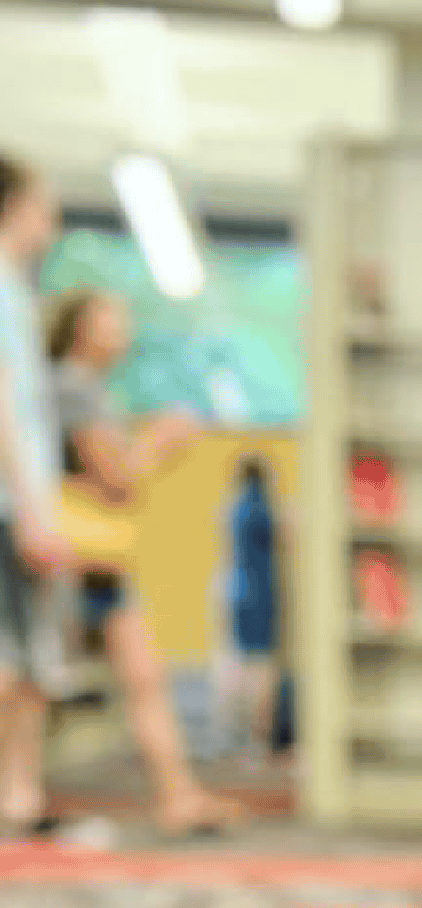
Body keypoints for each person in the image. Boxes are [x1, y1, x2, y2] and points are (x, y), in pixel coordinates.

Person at [47, 286, 241, 834]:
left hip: (99, 558)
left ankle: (178, 795)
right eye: (113, 316)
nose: (124, 327)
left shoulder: (90, 391)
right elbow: (118, 481)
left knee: (142, 676)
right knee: (26, 684)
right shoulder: (72, 388)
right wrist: (160, 443)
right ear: (82, 327)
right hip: (74, 556)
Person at [0, 155, 72, 834]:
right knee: (15, 657)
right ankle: (15, 793)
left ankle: (20, 795)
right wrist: (29, 508)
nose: (50, 225)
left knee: (24, 658)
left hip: (21, 497)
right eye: (44, 208)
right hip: (10, 501)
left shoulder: (17, 291)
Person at [224, 455, 283, 758]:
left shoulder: (233, 508)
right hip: (259, 595)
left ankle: (238, 737)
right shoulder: (260, 508)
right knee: (262, 668)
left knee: (242, 664)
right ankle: (258, 739)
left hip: (237, 593)